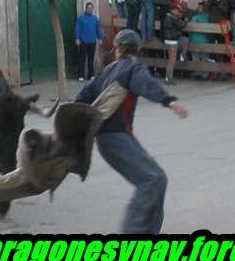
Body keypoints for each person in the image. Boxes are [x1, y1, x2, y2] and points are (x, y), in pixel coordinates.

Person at [75, 29, 188, 234]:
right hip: (116, 138)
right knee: (150, 180)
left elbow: (81, 99)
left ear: (117, 49)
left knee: (158, 178)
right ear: (137, 50)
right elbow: (146, 85)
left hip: (110, 139)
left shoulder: (106, 71)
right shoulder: (132, 69)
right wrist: (169, 101)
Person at [75, 2, 102, 82]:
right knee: (82, 59)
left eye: (91, 8)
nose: (90, 9)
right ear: (86, 9)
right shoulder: (81, 18)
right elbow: (77, 29)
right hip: (83, 42)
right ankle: (81, 76)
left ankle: (91, 75)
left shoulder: (95, 19)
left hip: (92, 42)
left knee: (91, 59)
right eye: (88, 8)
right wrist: (77, 38)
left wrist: (100, 38)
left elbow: (98, 29)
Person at [161, 6, 188, 85]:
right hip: (172, 41)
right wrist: (186, 20)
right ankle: (168, 78)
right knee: (171, 61)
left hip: (168, 40)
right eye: (177, 10)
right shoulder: (173, 17)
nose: (178, 12)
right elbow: (182, 25)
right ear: (173, 10)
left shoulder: (168, 16)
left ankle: (182, 56)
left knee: (185, 40)